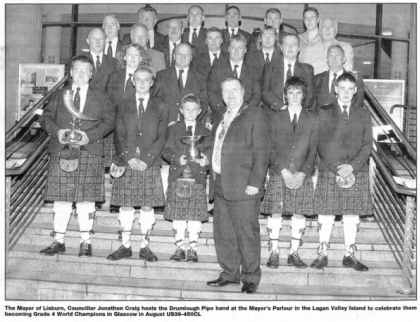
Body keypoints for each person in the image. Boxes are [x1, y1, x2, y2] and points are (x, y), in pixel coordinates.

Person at [39, 55, 115, 257]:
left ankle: (85, 242)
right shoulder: (58, 95)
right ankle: (59, 241)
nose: (81, 73)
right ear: (71, 72)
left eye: (86, 70)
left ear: (91, 74)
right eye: (77, 69)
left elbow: (109, 122)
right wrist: (58, 132)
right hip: (62, 150)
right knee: (61, 199)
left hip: (89, 151)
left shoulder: (102, 97)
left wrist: (89, 136)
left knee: (86, 200)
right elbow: (45, 118)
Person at [207, 77, 270, 294]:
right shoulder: (219, 117)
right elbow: (215, 146)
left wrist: (255, 182)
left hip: (244, 186)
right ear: (221, 94)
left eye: (235, 90)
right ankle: (229, 274)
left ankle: (251, 277)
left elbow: (262, 152)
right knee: (223, 232)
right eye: (226, 90)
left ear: (243, 91)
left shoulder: (255, 114)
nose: (230, 94)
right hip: (219, 183)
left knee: (246, 233)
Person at [106, 66, 168, 262]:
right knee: (126, 205)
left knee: (147, 207)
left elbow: (162, 136)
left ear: (152, 83)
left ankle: (145, 246)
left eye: (146, 80)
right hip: (127, 161)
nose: (142, 83)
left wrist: (147, 160)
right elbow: (118, 134)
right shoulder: (122, 105)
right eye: (138, 79)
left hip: (150, 163)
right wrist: (129, 157)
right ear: (132, 81)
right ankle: (124, 246)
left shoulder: (161, 107)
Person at [312, 73, 373, 271]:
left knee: (351, 214)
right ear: (336, 89)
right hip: (331, 168)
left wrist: (352, 167)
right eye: (342, 88)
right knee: (327, 213)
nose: (346, 92)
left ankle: (350, 255)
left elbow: (367, 145)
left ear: (355, 90)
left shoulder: (363, 114)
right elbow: (320, 143)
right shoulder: (323, 112)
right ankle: (322, 255)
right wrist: (338, 167)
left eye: (350, 89)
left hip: (356, 170)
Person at [261, 76, 319, 269]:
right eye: (291, 92)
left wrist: (303, 173)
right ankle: (274, 252)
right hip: (279, 172)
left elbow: (313, 150)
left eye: (298, 92)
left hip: (302, 173)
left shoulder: (312, 118)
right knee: (276, 213)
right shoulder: (274, 117)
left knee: (299, 214)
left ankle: (294, 252)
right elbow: (269, 147)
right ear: (284, 96)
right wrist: (283, 170)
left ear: (304, 95)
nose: (294, 96)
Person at [151, 43, 208, 197]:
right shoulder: (162, 75)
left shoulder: (200, 77)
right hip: (167, 132)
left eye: (187, 54)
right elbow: (154, 103)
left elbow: (204, 103)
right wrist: (166, 123)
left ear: (191, 57)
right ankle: (165, 198)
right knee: (166, 169)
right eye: (179, 54)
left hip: (191, 133)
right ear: (174, 56)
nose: (183, 57)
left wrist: (189, 124)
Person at [161, 93, 212, 262]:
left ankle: (192, 248)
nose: (190, 112)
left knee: (195, 216)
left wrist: (207, 159)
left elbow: (212, 149)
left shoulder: (205, 131)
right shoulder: (173, 129)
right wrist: (176, 159)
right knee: (179, 216)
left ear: (200, 111)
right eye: (187, 109)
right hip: (178, 175)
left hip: (196, 177)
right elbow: (165, 150)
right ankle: (179, 247)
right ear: (181, 110)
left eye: (194, 109)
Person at [104, 44, 151, 172]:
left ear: (141, 58)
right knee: (113, 167)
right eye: (129, 54)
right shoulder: (113, 76)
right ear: (124, 56)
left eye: (136, 55)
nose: (132, 58)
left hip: (135, 130)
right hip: (114, 128)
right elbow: (107, 102)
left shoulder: (147, 78)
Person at [207, 34, 261, 116]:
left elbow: (256, 96)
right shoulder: (217, 69)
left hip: (246, 116)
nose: (236, 51)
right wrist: (225, 112)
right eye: (233, 47)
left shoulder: (253, 71)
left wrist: (243, 111)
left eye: (240, 48)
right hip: (221, 114)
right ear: (228, 49)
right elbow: (211, 93)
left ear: (245, 50)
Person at [262, 34, 314, 113]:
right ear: (281, 48)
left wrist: (296, 109)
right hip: (274, 112)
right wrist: (282, 107)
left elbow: (310, 95)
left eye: (294, 45)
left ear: (299, 48)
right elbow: (265, 92)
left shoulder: (307, 70)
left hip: (299, 113)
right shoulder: (269, 68)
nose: (290, 48)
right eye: (286, 45)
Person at [313, 45, 364, 113]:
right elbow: (312, 106)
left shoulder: (355, 79)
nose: (334, 59)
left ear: (344, 59)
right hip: (320, 121)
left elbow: (359, 104)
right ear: (327, 60)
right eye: (331, 56)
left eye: (337, 55)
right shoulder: (316, 79)